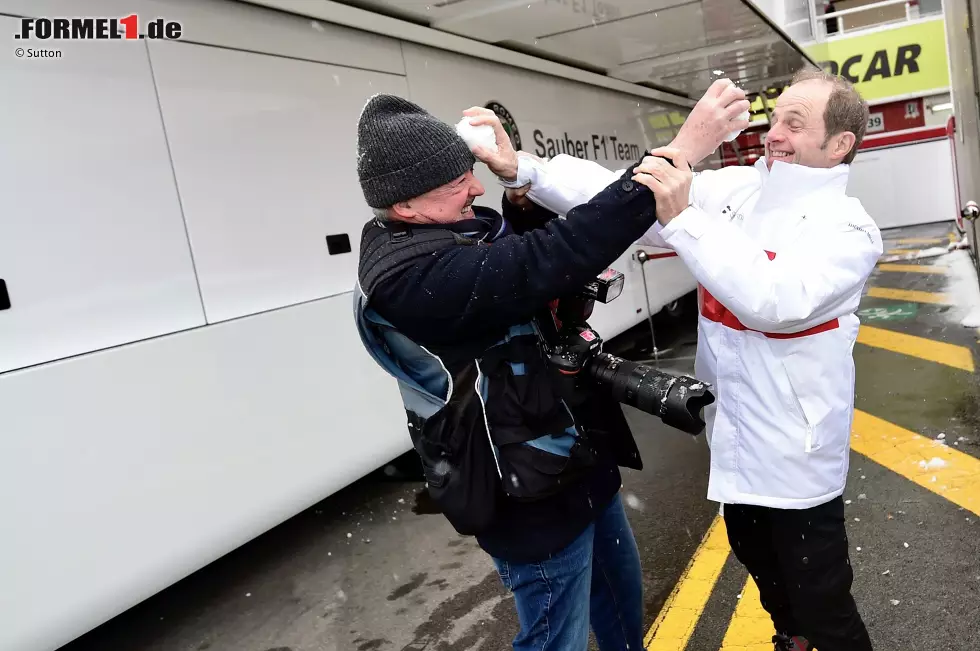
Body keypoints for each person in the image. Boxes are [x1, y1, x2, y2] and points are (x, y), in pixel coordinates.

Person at [478, 68, 880, 651]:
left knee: (825, 604)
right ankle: (790, 639)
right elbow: (618, 189)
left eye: (796, 123)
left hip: (798, 454)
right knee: (763, 571)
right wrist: (528, 170)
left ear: (840, 144)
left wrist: (683, 218)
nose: (775, 134)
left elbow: (775, 300)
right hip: (735, 439)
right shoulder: (738, 188)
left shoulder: (850, 230)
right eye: (775, 119)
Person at [350, 92, 745, 651]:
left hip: (567, 460)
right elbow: (545, 259)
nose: (475, 189)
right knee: (553, 638)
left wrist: (520, 181)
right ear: (406, 207)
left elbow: (519, 249)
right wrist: (680, 151)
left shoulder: (436, 234)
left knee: (619, 602)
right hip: (518, 490)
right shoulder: (407, 280)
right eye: (457, 183)